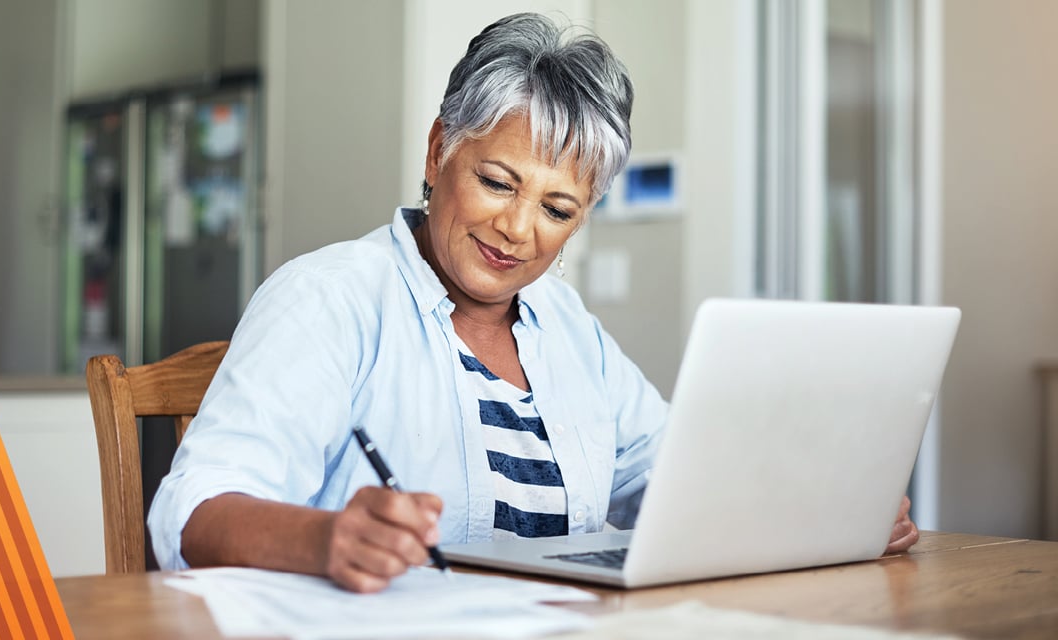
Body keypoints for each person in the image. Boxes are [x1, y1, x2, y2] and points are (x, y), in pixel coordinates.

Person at [147, 12, 919, 593]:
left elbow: (672, 479)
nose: (517, 232)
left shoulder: (565, 323)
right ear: (438, 149)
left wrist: (825, 509)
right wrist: (325, 540)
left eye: (558, 210)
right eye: (497, 182)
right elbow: (191, 514)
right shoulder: (330, 299)